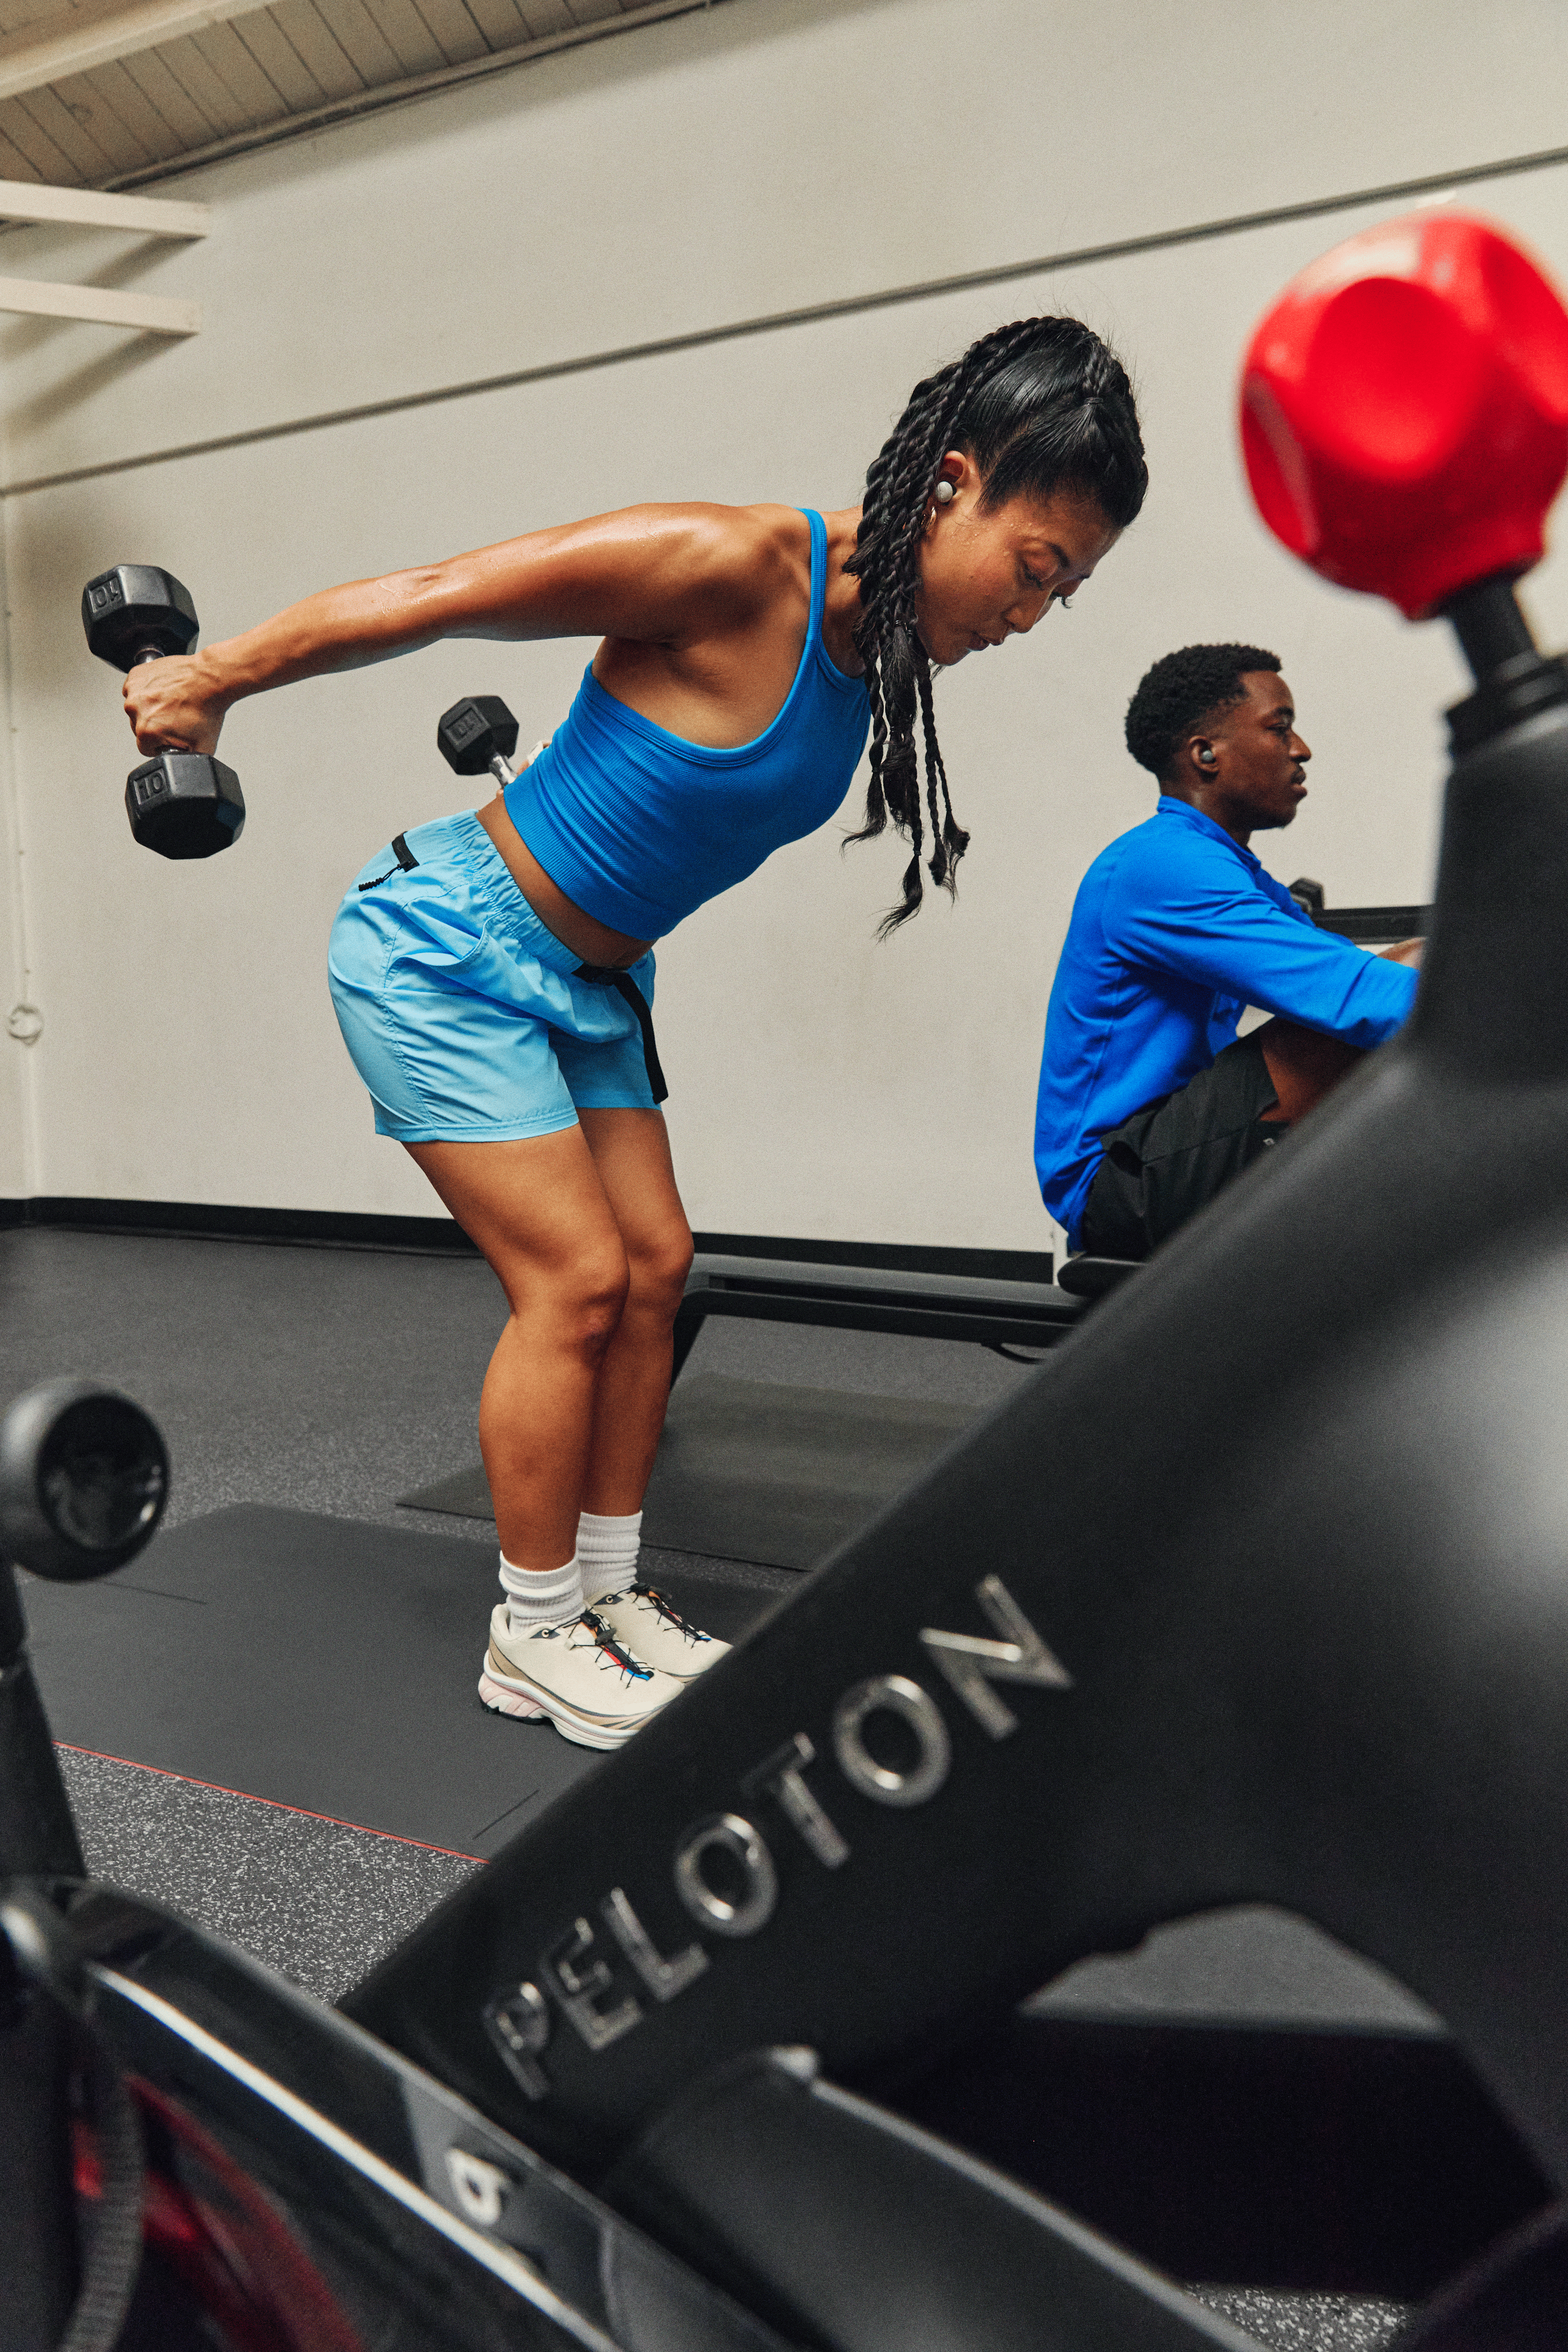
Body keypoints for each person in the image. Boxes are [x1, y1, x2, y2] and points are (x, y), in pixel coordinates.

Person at [124, 316, 1147, 1749]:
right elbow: (438, 593)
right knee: (579, 1280)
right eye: (1036, 570)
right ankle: (531, 1631)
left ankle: (604, 1600)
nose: (1031, 616)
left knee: (658, 1272)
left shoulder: (877, 649)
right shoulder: (730, 564)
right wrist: (211, 676)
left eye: (1069, 594)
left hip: (599, 981)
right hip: (448, 951)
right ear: (953, 484)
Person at [1035, 644, 1421, 1262]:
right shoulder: (1162, 863)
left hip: (1170, 1150)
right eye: (1280, 727)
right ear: (1205, 754)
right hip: (1117, 1183)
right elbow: (1354, 996)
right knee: (1414, 985)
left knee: (1418, 973)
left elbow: (1340, 973)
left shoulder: (1224, 865)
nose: (1302, 750)